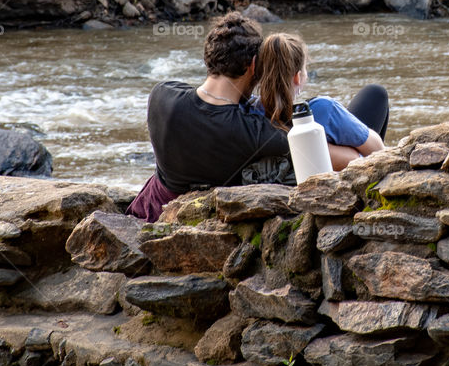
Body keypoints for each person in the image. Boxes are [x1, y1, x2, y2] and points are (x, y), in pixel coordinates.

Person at [127, 12, 290, 221]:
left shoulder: (162, 95)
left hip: (148, 213)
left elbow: (200, 103)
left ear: (209, 55)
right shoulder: (255, 132)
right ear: (253, 65)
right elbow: (297, 135)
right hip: (207, 223)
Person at [254, 32, 388, 169]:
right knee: (376, 93)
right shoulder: (322, 109)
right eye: (305, 69)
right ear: (298, 77)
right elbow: (378, 150)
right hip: (341, 174)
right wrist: (352, 154)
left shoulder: (249, 113)